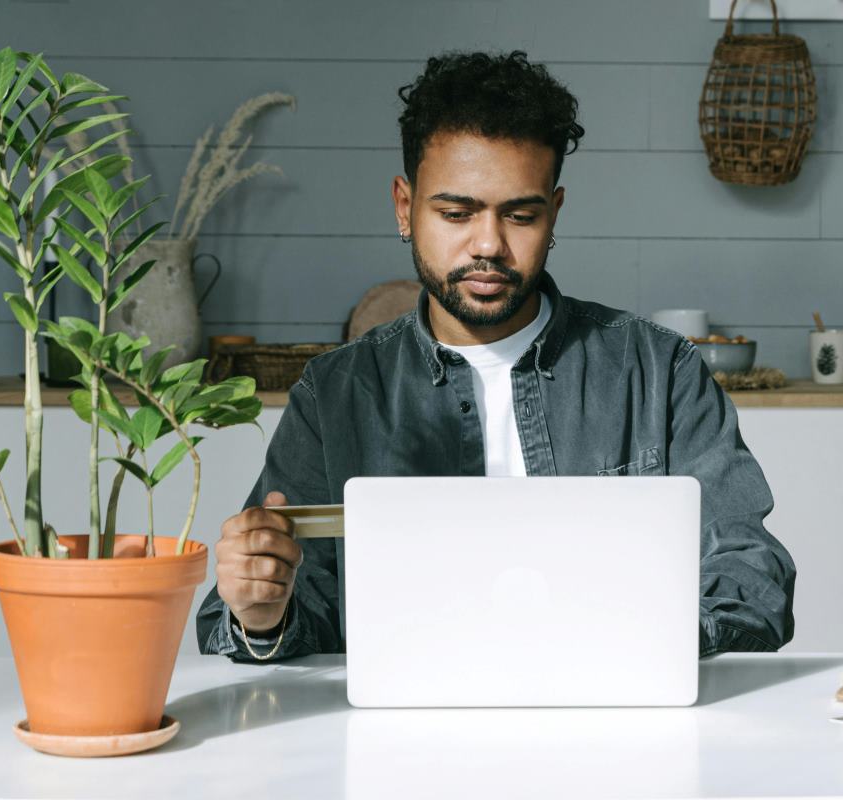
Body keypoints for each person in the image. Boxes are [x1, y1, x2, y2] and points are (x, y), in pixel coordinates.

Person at [196, 50, 795, 663]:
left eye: (521, 215)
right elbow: (270, 610)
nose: (488, 244)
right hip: (404, 734)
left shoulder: (657, 370)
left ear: (554, 213)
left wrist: (638, 646)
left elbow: (750, 571)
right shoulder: (337, 392)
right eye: (456, 213)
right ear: (405, 207)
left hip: (616, 722)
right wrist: (263, 612)